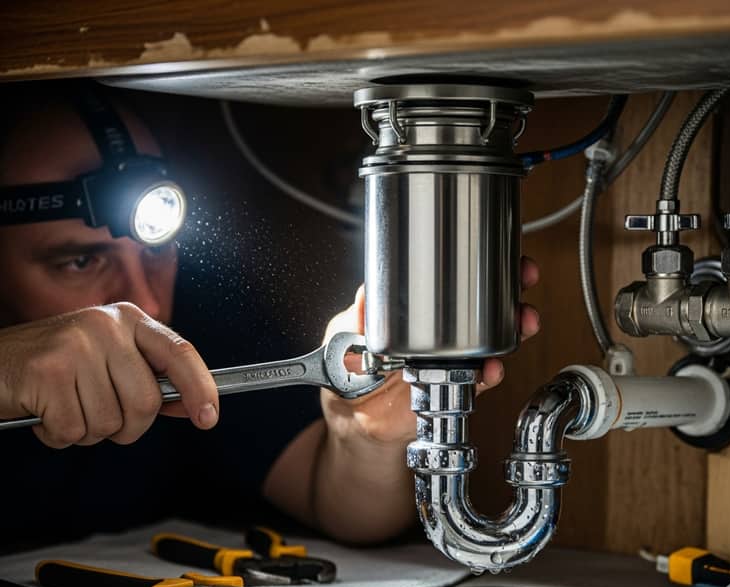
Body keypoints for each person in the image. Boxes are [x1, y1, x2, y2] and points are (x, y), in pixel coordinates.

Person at [0, 84, 541, 548]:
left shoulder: (195, 325)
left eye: (155, 250)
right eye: (79, 261)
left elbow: (340, 506)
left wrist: (363, 437)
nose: (147, 305)